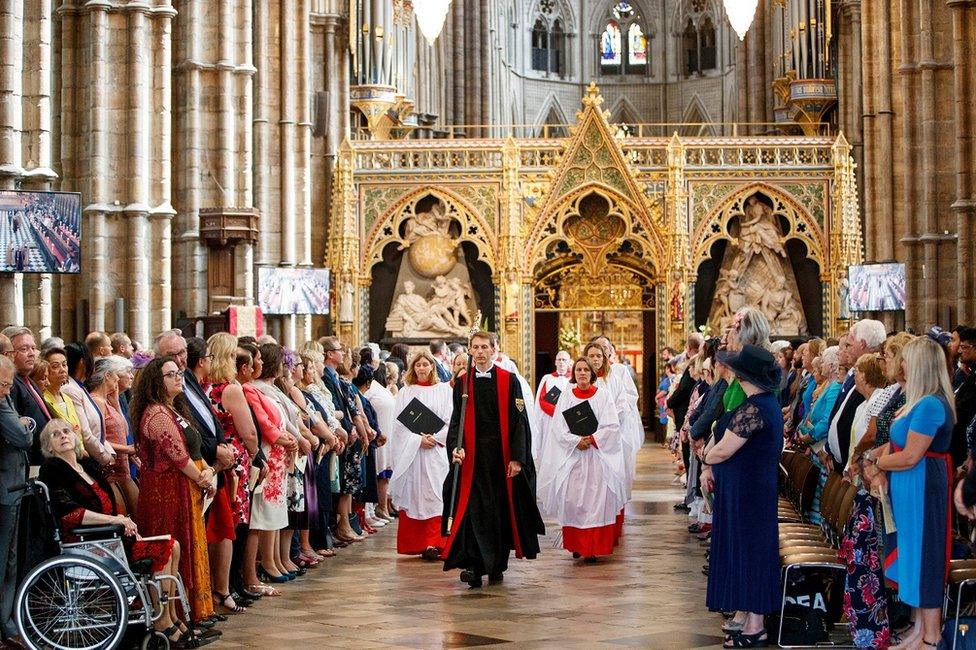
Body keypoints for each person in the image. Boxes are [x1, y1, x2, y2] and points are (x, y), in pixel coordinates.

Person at [36, 420, 196, 647]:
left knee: (173, 544)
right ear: (49, 447)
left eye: (66, 431)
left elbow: (108, 504)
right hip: (89, 540)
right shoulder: (53, 469)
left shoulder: (87, 467)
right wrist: (116, 521)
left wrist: (123, 523)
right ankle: (161, 621)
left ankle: (169, 615)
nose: (63, 436)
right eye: (55, 434)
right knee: (165, 549)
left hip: (109, 535)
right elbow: (69, 513)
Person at [863, 336, 956, 650]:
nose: (901, 363)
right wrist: (877, 461)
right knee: (910, 555)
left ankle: (931, 636)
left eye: (906, 359)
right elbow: (897, 445)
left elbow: (910, 455)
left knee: (924, 555)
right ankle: (918, 628)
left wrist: (876, 461)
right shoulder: (916, 400)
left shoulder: (931, 404)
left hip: (923, 485)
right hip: (908, 485)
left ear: (920, 365)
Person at [441, 331, 544, 588]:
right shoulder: (462, 383)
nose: (479, 352)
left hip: (501, 458)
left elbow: (520, 421)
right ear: (469, 350)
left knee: (498, 511)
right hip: (472, 459)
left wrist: (518, 459)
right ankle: (473, 567)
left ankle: (497, 564)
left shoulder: (509, 381)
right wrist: (455, 447)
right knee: (471, 510)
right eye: (475, 347)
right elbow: (457, 422)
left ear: (494, 349)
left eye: (484, 347)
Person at [704, 345, 784, 647]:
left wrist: (707, 457)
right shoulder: (763, 403)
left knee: (751, 552)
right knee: (748, 550)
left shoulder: (756, 408)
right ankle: (749, 615)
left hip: (749, 493)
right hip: (750, 490)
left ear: (743, 375)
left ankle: (756, 624)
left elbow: (724, 449)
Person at [131, 356, 217, 626]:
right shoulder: (156, 414)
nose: (179, 377)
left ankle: (180, 616)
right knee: (172, 545)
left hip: (182, 486)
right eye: (171, 374)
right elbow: (177, 456)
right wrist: (204, 478)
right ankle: (169, 619)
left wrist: (208, 472)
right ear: (157, 380)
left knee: (187, 545)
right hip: (165, 492)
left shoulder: (171, 408)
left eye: (179, 373)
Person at [538, 357, 626, 562]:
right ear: (574, 373)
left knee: (595, 502)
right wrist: (575, 441)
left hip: (596, 456)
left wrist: (593, 439)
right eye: (578, 369)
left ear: (592, 374)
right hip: (574, 456)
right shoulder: (566, 396)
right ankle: (577, 544)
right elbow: (558, 427)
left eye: (586, 369)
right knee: (573, 501)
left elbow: (612, 426)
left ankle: (592, 548)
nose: (582, 373)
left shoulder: (603, 396)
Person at [205, 333, 261, 610]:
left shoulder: (202, 386)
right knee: (229, 527)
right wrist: (255, 456)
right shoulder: (230, 388)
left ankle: (222, 586)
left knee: (216, 525)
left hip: (213, 458)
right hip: (234, 461)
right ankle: (225, 587)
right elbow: (248, 431)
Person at [389, 351, 453, 559]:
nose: (422, 368)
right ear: (412, 368)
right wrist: (418, 440)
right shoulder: (406, 392)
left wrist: (435, 438)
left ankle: (436, 543)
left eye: (426, 364)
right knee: (416, 493)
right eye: (418, 365)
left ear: (433, 367)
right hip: (414, 453)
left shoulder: (443, 391)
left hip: (436, 451)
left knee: (436, 494)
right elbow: (398, 426)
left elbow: (450, 420)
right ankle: (417, 543)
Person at [826, 320, 887, 474]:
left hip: (859, 467)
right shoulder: (853, 375)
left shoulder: (876, 387)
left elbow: (870, 434)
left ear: (862, 344)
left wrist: (854, 459)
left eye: (849, 344)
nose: (847, 349)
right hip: (844, 462)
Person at [0, 356, 31, 648]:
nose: (8, 390)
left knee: (10, 560)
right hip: (4, 489)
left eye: (9, 384)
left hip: (13, 485)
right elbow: (21, 437)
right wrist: (25, 425)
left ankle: (7, 622)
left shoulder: (3, 398)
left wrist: (26, 422)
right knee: (3, 561)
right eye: (4, 384)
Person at [87, 355, 139, 512]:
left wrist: (116, 402)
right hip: (111, 469)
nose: (118, 378)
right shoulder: (97, 400)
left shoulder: (108, 401)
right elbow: (99, 439)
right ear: (107, 375)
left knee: (137, 511)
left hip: (123, 468)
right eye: (115, 374)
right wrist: (127, 449)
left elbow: (124, 429)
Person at [3, 327, 51, 461]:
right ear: (9, 354)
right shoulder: (10, 384)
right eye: (24, 349)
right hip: (28, 461)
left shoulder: (27, 379)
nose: (31, 354)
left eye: (33, 348)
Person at [363, 363, 395, 522]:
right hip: (375, 435)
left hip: (384, 435)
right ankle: (370, 510)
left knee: (384, 474)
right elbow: (364, 411)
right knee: (374, 473)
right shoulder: (372, 390)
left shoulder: (383, 390)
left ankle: (380, 507)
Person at [531, 350, 572, 462]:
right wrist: (557, 412)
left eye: (564, 360)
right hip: (551, 419)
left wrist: (566, 415)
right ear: (555, 362)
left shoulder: (574, 380)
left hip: (568, 420)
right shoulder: (547, 378)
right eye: (559, 359)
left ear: (569, 362)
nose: (561, 362)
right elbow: (542, 400)